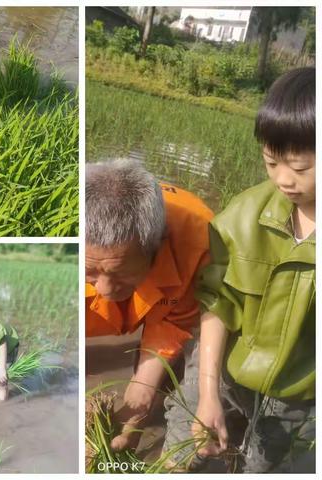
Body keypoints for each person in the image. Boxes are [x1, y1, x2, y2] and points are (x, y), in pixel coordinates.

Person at [162, 67, 315, 473]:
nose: (283, 180)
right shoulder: (242, 217)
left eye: (300, 169)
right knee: (182, 453)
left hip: (298, 398)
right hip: (225, 369)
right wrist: (208, 391)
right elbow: (218, 303)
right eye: (271, 162)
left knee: (264, 467)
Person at [86, 158, 214, 451]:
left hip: (173, 300)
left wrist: (142, 394)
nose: (105, 289)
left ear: (157, 246)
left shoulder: (199, 244)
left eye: (120, 272)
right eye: (91, 270)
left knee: (170, 377)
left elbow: (174, 321)